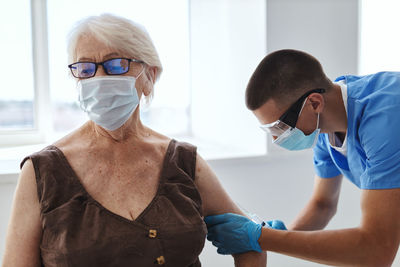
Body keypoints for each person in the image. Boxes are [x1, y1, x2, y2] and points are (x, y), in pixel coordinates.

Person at [2, 14, 266, 267]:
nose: (99, 78)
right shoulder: (42, 172)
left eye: (116, 64)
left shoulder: (184, 163)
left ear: (149, 77)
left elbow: (252, 241)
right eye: (85, 68)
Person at [205, 49, 400, 266]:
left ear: (314, 103)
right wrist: (284, 234)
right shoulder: (327, 128)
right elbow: (322, 205)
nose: (276, 139)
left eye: (279, 127)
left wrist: (263, 238)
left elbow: (376, 252)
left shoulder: (386, 120)